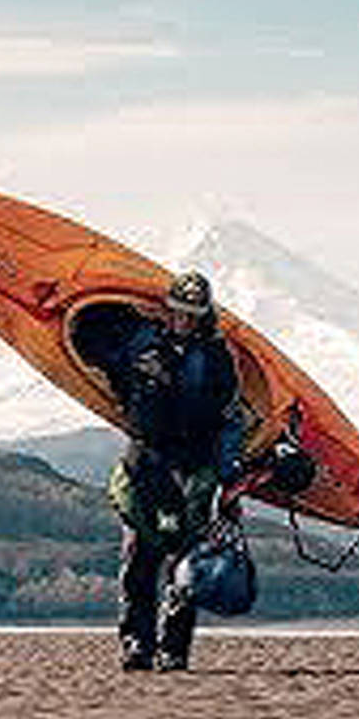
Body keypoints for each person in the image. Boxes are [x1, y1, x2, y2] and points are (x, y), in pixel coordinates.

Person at [73, 270, 246, 672]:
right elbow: (87, 339)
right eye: (177, 311)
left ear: (204, 316)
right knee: (139, 556)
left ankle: (174, 649)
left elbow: (229, 419)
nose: (182, 320)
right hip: (145, 461)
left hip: (194, 468)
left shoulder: (217, 359)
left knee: (185, 563)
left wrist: (228, 476)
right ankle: (136, 644)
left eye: (191, 314)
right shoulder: (140, 338)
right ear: (167, 310)